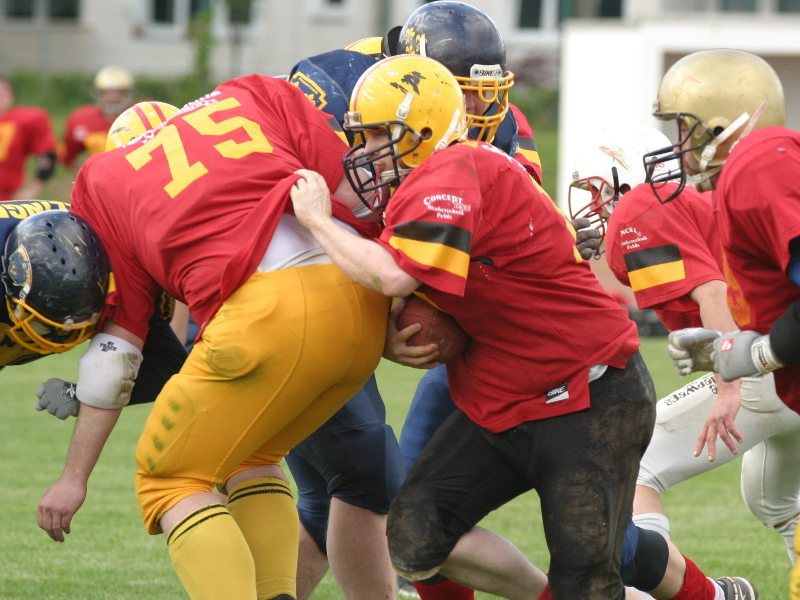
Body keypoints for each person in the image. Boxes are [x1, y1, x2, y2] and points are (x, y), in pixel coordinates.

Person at [290, 53, 657, 600]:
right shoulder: (433, 178)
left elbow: (392, 276)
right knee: (414, 535)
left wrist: (317, 220)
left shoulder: (453, 171)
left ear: (422, 129)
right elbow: (402, 293)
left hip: (587, 391)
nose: (366, 150)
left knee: (585, 576)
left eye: (378, 135)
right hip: (505, 397)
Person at [41, 72, 389, 600]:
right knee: (250, 458)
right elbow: (357, 199)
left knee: (169, 478)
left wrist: (73, 477)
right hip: (361, 304)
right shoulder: (256, 90)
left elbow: (117, 351)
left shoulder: (103, 177)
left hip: (268, 313)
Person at [570, 123, 781, 599]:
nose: (594, 206)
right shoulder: (678, 202)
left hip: (760, 364)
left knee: (635, 463)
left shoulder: (642, 209)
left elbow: (713, 294)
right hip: (783, 357)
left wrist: (729, 385)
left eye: (599, 191)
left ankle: (674, 594)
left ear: (624, 180)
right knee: (775, 501)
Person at [643, 48, 800, 599]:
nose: (678, 145)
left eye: (683, 128)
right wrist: (738, 345)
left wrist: (755, 356)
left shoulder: (759, 165)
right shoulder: (757, 166)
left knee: (631, 461)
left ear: (719, 123)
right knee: (774, 500)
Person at [59, 66, 134, 169]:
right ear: (98, 94)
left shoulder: (142, 117)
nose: (113, 98)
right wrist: (87, 172)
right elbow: (67, 156)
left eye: (120, 93)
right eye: (106, 93)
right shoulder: (81, 119)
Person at [0, 77, 57, 200]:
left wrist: (33, 189)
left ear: (11, 96)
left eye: (2, 94)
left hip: (6, 200)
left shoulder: (23, 120)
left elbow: (48, 155)